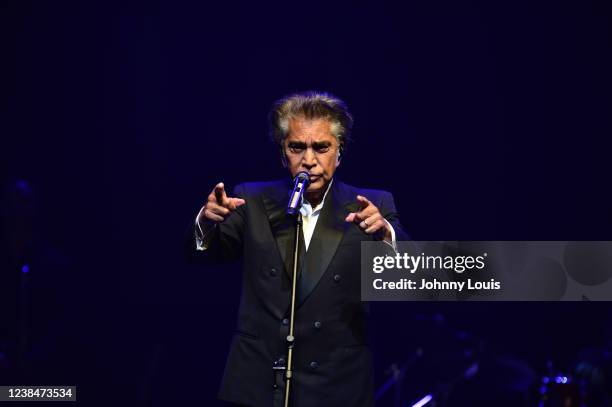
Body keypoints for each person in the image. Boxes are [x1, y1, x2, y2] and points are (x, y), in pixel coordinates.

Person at [186, 91, 408, 407]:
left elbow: (413, 279)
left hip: (335, 385)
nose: (308, 160)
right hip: (259, 382)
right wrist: (206, 222)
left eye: (321, 147)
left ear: (339, 152)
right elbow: (200, 256)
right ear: (282, 153)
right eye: (297, 148)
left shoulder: (373, 205)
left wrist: (385, 235)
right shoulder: (250, 199)